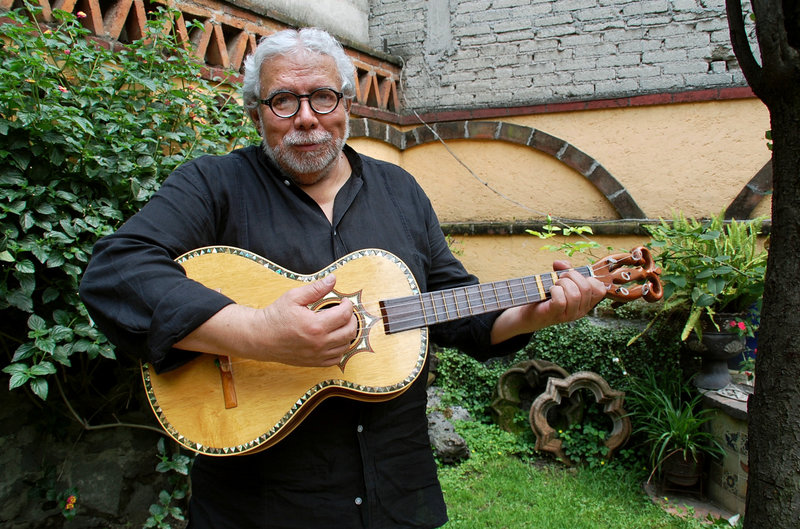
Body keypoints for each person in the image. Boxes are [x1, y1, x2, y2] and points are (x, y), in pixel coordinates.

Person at [79, 27, 606, 529]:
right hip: (261, 503)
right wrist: (257, 331)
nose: (306, 118)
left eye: (323, 98)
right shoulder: (213, 184)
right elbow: (115, 271)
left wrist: (538, 309)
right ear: (256, 114)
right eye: (283, 101)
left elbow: (450, 304)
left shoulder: (400, 191)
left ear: (348, 106)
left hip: (394, 492)